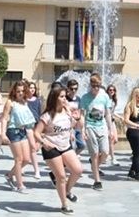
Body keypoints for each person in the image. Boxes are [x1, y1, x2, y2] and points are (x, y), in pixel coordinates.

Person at [34, 85, 82, 215]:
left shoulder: (68, 111)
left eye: (65, 96)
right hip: (51, 148)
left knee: (78, 170)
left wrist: (77, 118)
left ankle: (66, 191)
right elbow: (37, 133)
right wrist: (44, 143)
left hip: (65, 146)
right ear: (55, 98)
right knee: (61, 177)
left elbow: (75, 126)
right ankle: (64, 205)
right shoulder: (47, 116)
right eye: (61, 96)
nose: (65, 98)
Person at [80, 73, 114, 190]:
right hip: (90, 126)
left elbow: (108, 114)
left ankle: (94, 167)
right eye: (94, 86)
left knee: (105, 152)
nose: (96, 88)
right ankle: (97, 180)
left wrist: (111, 130)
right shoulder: (85, 98)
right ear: (90, 85)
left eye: (98, 86)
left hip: (102, 126)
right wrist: (83, 130)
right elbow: (82, 115)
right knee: (94, 154)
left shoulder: (104, 97)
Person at [1, 80, 36, 193]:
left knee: (27, 159)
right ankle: (20, 185)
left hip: (22, 131)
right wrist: (2, 134)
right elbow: (4, 118)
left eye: (22, 91)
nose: (20, 93)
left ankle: (9, 175)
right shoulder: (10, 102)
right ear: (14, 92)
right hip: (13, 131)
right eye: (18, 91)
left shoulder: (24, 102)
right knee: (19, 159)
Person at [123, 88, 139, 181]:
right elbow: (126, 120)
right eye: (138, 97)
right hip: (133, 132)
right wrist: (138, 126)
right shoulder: (130, 105)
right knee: (137, 152)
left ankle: (131, 171)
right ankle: (137, 173)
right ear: (134, 96)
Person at [25, 80, 43, 179]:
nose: (32, 90)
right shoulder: (24, 100)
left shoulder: (38, 100)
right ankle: (25, 167)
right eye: (30, 88)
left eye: (33, 88)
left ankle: (36, 170)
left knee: (32, 148)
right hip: (26, 126)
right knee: (30, 148)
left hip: (35, 125)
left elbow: (40, 113)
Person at [65, 79, 85, 155]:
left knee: (82, 145)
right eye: (71, 89)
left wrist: (83, 129)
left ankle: (73, 157)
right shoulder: (65, 99)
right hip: (68, 125)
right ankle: (69, 162)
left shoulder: (78, 99)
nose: (74, 90)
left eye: (75, 89)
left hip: (78, 126)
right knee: (71, 146)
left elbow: (81, 113)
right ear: (68, 88)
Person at [106, 84, 120, 167]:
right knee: (111, 139)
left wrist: (120, 117)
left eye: (113, 90)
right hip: (107, 121)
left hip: (112, 121)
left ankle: (105, 153)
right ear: (107, 91)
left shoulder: (114, 100)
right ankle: (113, 158)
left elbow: (112, 112)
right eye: (110, 90)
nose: (111, 91)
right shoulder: (105, 99)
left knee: (115, 140)